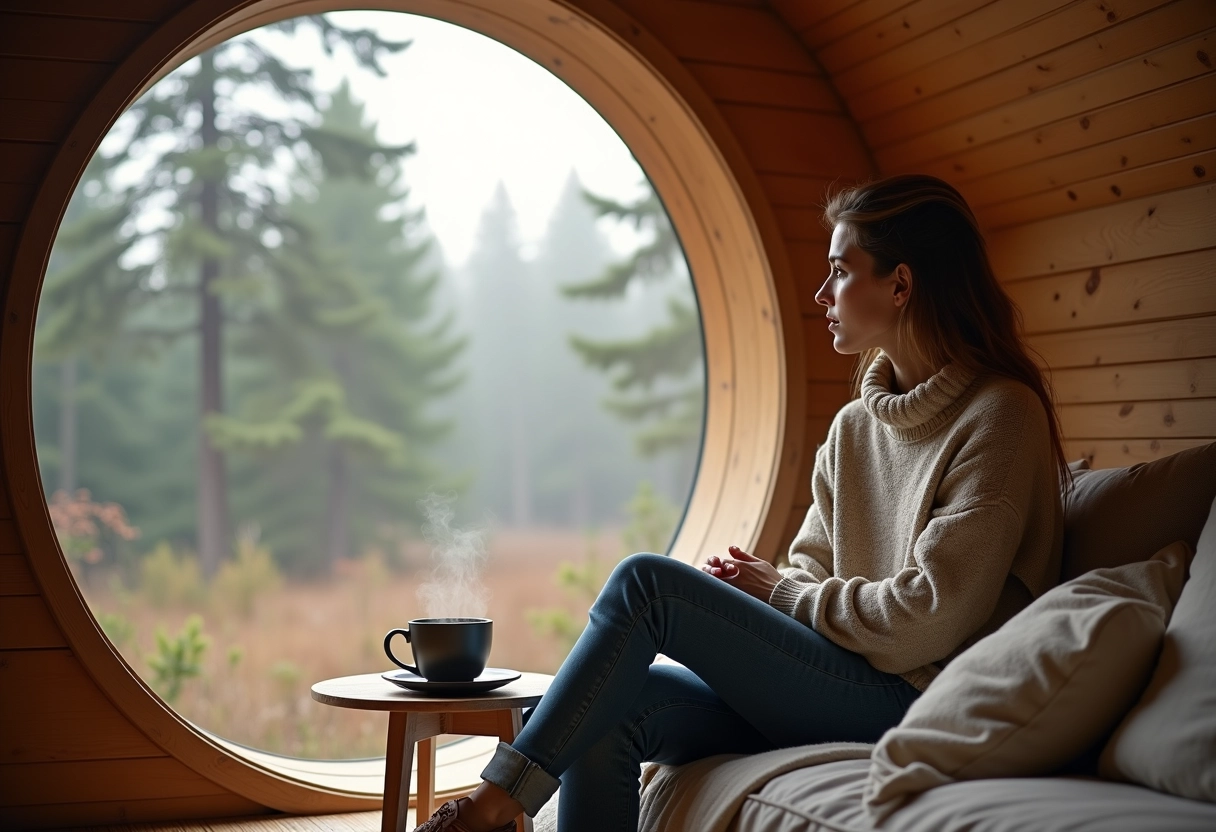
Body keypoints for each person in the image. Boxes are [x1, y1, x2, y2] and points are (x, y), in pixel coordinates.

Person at [414, 174, 1068, 832]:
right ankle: (506, 797)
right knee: (603, 709)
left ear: (899, 286)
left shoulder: (1000, 417)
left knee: (648, 584)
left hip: (916, 697)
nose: (822, 294)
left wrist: (780, 594)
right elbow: (809, 566)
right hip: (841, 679)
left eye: (840, 272)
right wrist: (763, 597)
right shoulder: (854, 429)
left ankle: (496, 802)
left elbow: (928, 618)